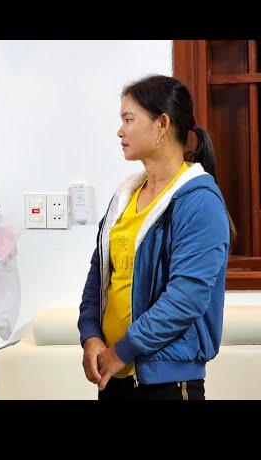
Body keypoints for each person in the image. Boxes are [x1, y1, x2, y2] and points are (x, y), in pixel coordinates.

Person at [78, 74, 232, 400]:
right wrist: (91, 336)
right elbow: (100, 275)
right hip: (113, 378)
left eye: (129, 119)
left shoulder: (199, 200)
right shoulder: (125, 197)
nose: (120, 130)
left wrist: (124, 350)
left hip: (166, 384)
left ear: (162, 123)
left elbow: (186, 297)